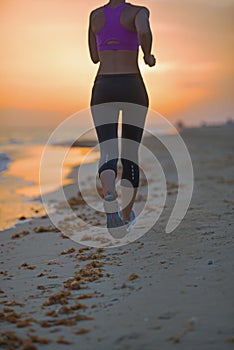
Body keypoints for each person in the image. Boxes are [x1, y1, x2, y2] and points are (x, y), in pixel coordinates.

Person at [88, 0, 155, 235]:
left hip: (104, 85)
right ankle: (126, 216)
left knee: (107, 148)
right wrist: (147, 55)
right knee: (129, 152)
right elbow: (144, 31)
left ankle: (109, 194)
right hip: (132, 85)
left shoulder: (95, 16)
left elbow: (95, 57)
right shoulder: (138, 12)